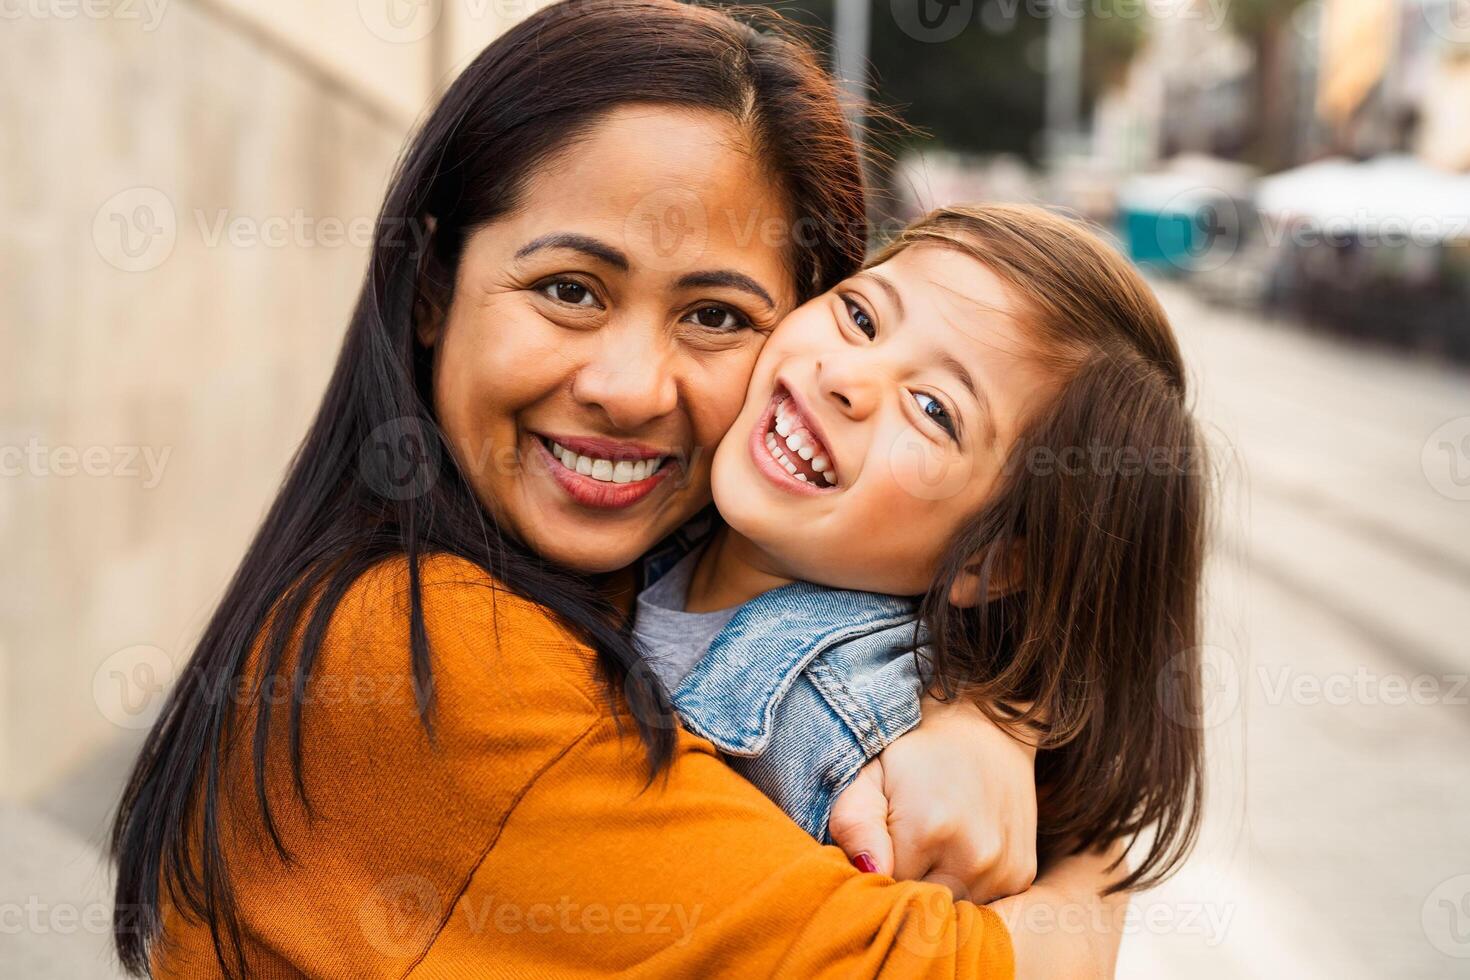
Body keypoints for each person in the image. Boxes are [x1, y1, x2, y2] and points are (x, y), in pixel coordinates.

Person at [110, 2, 1129, 976]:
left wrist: (989, 713)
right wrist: (1095, 872)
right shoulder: (424, 650)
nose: (630, 389)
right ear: (431, 288)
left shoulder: (655, 580)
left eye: (718, 316)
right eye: (569, 291)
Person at [635, 204, 1206, 900]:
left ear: (988, 561)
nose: (849, 378)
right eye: (863, 318)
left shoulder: (865, 764)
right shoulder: (653, 504)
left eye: (935, 410)